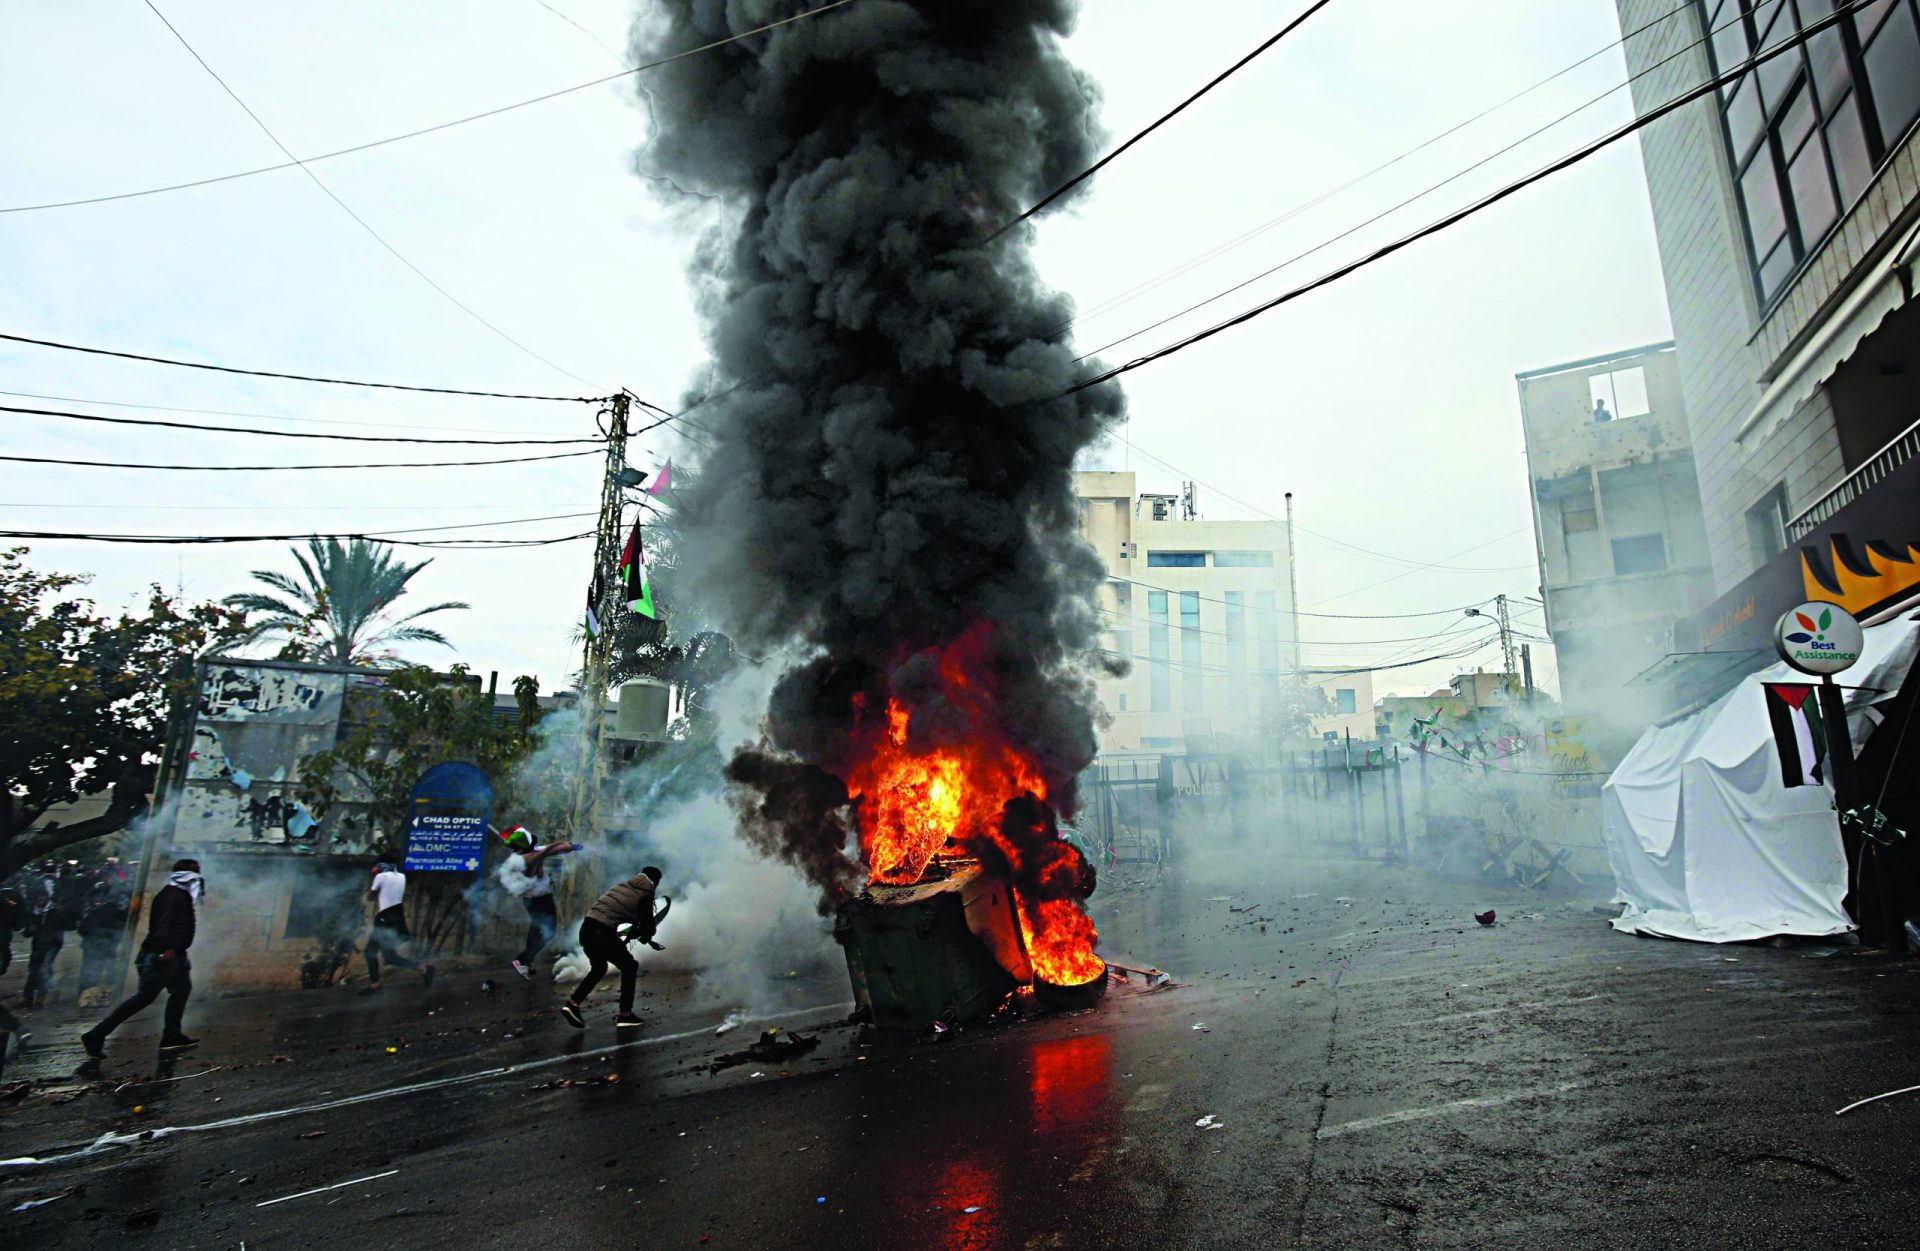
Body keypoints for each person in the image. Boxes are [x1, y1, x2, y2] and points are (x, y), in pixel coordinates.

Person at [81, 859, 205, 1057]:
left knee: (181, 991)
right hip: (163, 954)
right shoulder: (171, 896)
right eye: (193, 873)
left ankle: (171, 1036)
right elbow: (161, 926)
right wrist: (167, 949)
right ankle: (96, 1035)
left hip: (177, 955)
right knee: (144, 998)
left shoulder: (180, 895)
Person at [560, 866, 663, 1031]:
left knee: (599, 968)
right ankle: (625, 1014)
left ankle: (573, 1004)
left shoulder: (622, 886)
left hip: (587, 929)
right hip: (602, 933)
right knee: (629, 966)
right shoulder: (646, 894)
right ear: (655, 881)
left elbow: (615, 914)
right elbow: (648, 926)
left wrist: (637, 932)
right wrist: (646, 935)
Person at [499, 827, 578, 980]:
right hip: (540, 899)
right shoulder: (525, 859)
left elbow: (550, 849)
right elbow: (549, 850)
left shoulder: (523, 856)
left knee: (536, 928)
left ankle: (527, 961)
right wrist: (570, 846)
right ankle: (523, 959)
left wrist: (568, 847)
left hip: (533, 899)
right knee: (548, 932)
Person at [362, 862, 434, 992]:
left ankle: (375, 985)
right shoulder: (401, 877)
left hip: (384, 921)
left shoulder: (380, 877)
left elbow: (370, 897)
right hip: (394, 920)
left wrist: (374, 878)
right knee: (390, 958)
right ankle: (424, 968)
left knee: (370, 951)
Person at [23, 894, 75, 1009]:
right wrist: (30, 928)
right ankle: (28, 997)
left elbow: (71, 925)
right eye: (37, 900)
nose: (39, 902)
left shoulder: (55, 912)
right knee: (33, 970)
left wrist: (65, 913)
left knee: (44, 969)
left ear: (46, 900)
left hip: (52, 945)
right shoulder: (34, 913)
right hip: (37, 946)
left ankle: (40, 998)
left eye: (41, 900)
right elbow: (26, 933)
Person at [77, 882, 125, 997]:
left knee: (88, 969)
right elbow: (122, 932)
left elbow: (82, 928)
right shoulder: (120, 914)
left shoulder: (94, 912)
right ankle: (108, 991)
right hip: (108, 945)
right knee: (109, 967)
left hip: (90, 943)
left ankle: (84, 992)